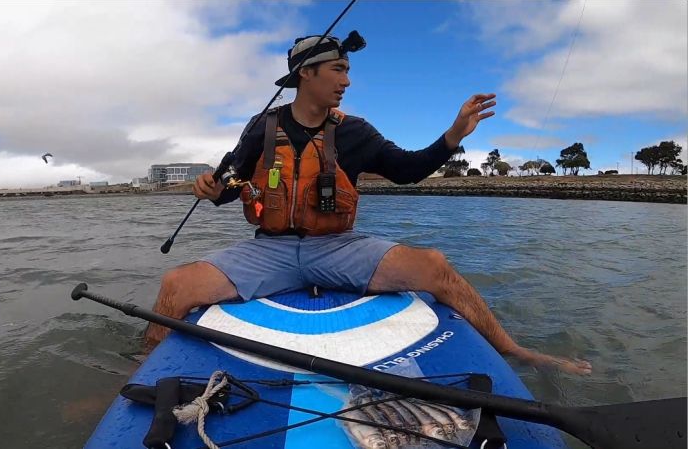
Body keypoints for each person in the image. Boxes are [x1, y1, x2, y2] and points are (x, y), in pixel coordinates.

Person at [145, 33, 592, 375]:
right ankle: (135, 376)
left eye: (347, 71)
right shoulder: (260, 127)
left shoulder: (356, 131)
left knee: (434, 266)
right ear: (307, 73)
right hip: (269, 249)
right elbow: (229, 185)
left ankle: (513, 349)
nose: (347, 80)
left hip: (338, 247)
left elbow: (408, 169)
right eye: (338, 69)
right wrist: (208, 187)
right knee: (176, 285)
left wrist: (454, 135)